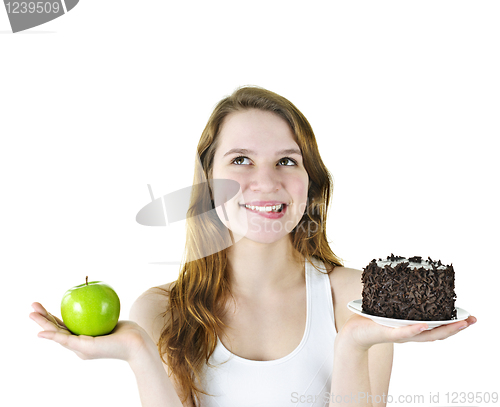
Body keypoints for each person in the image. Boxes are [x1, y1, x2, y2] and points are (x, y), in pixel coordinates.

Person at [30, 86, 477, 407]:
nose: (265, 181)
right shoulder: (161, 309)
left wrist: (353, 346)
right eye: (240, 160)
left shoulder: (359, 298)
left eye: (287, 161)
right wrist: (139, 353)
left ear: (310, 183)